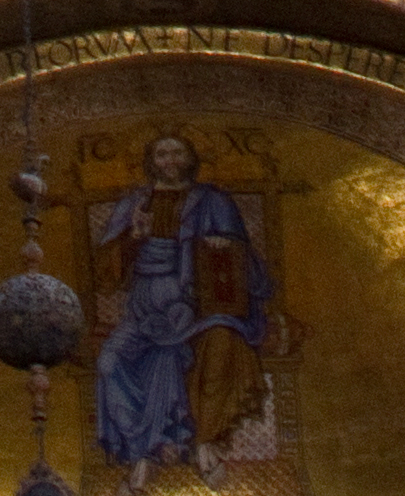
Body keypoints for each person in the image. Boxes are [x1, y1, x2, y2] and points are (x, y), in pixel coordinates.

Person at [88, 130, 274, 475]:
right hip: (145, 309)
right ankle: (141, 448)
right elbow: (105, 273)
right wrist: (134, 237)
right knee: (109, 362)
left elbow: (249, 265)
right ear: (150, 162)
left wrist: (224, 246)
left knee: (221, 343)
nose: (170, 162)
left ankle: (205, 440)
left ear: (190, 159)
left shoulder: (212, 201)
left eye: (177, 154)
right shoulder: (134, 204)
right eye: (162, 155)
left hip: (202, 305)